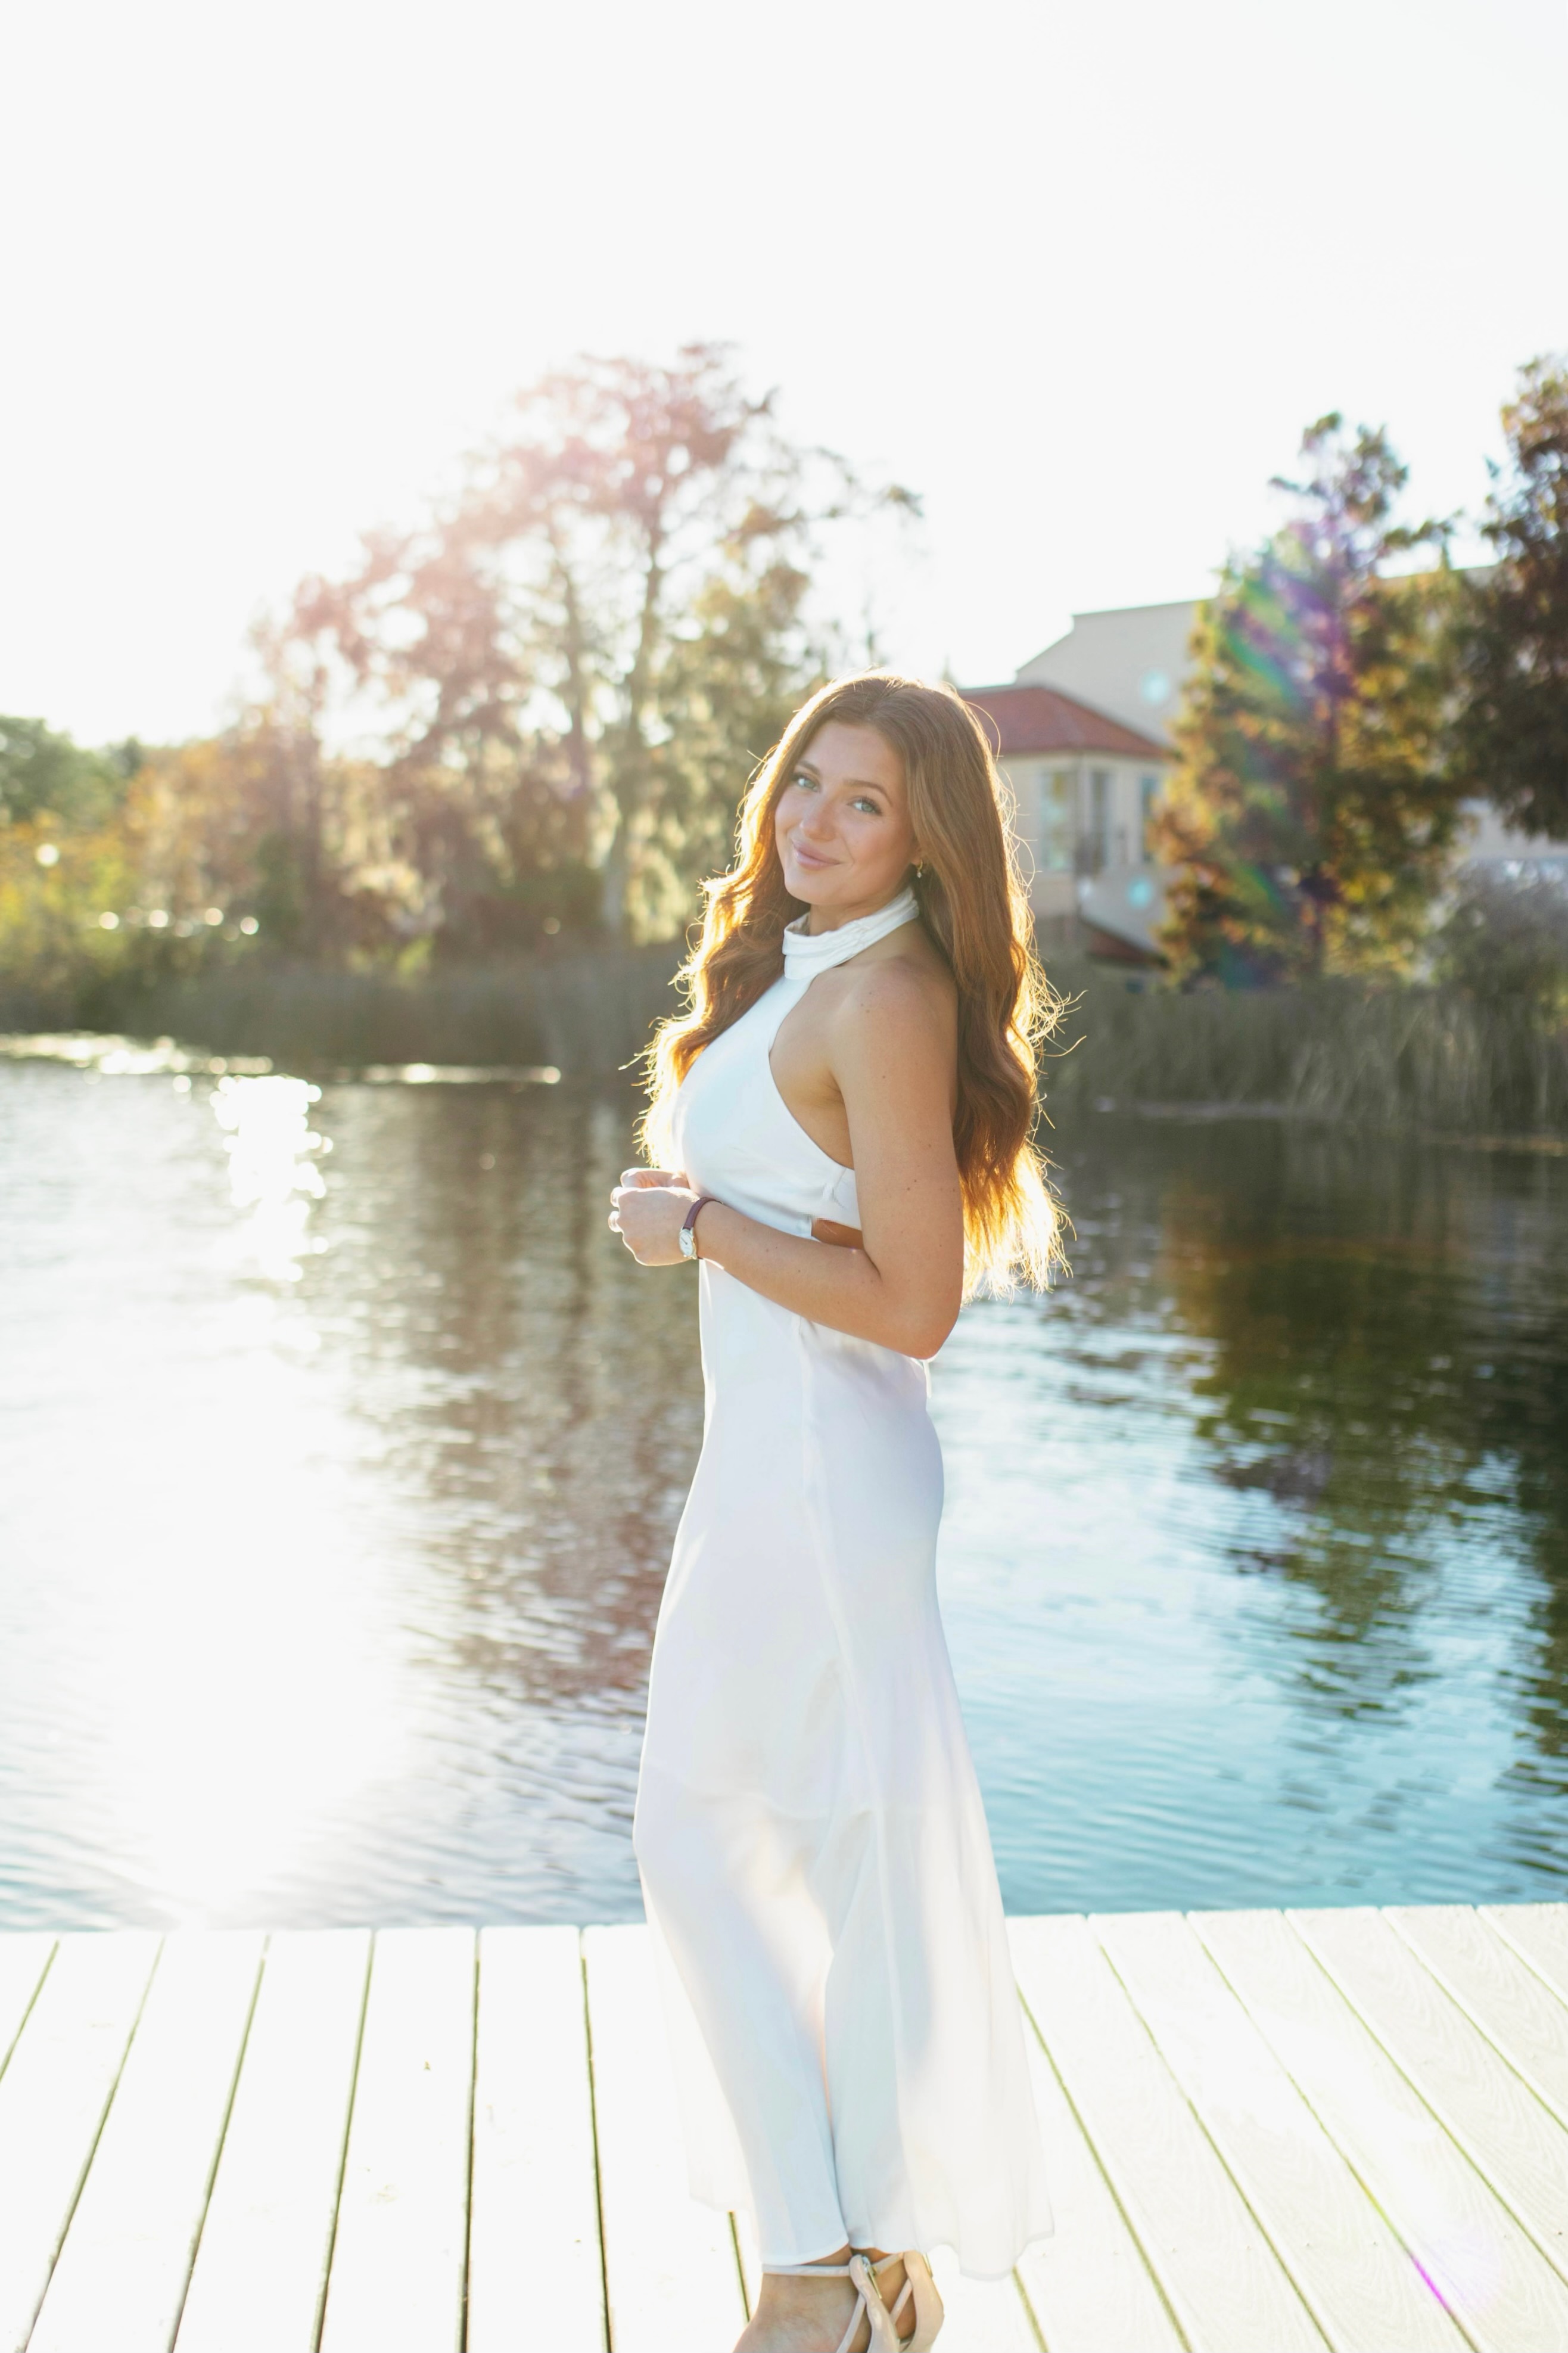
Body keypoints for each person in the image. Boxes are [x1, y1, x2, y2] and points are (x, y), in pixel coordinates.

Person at [609, 673, 1058, 2353]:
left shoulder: (885, 997)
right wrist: (722, 1223)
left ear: (925, 836)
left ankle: (819, 2270)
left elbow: (915, 1303)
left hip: (818, 1474)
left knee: (704, 1837)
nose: (816, 819)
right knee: (817, 1854)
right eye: (808, 780)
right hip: (775, 1463)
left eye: (865, 801)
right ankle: (865, 2256)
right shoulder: (810, 969)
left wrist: (700, 1227)